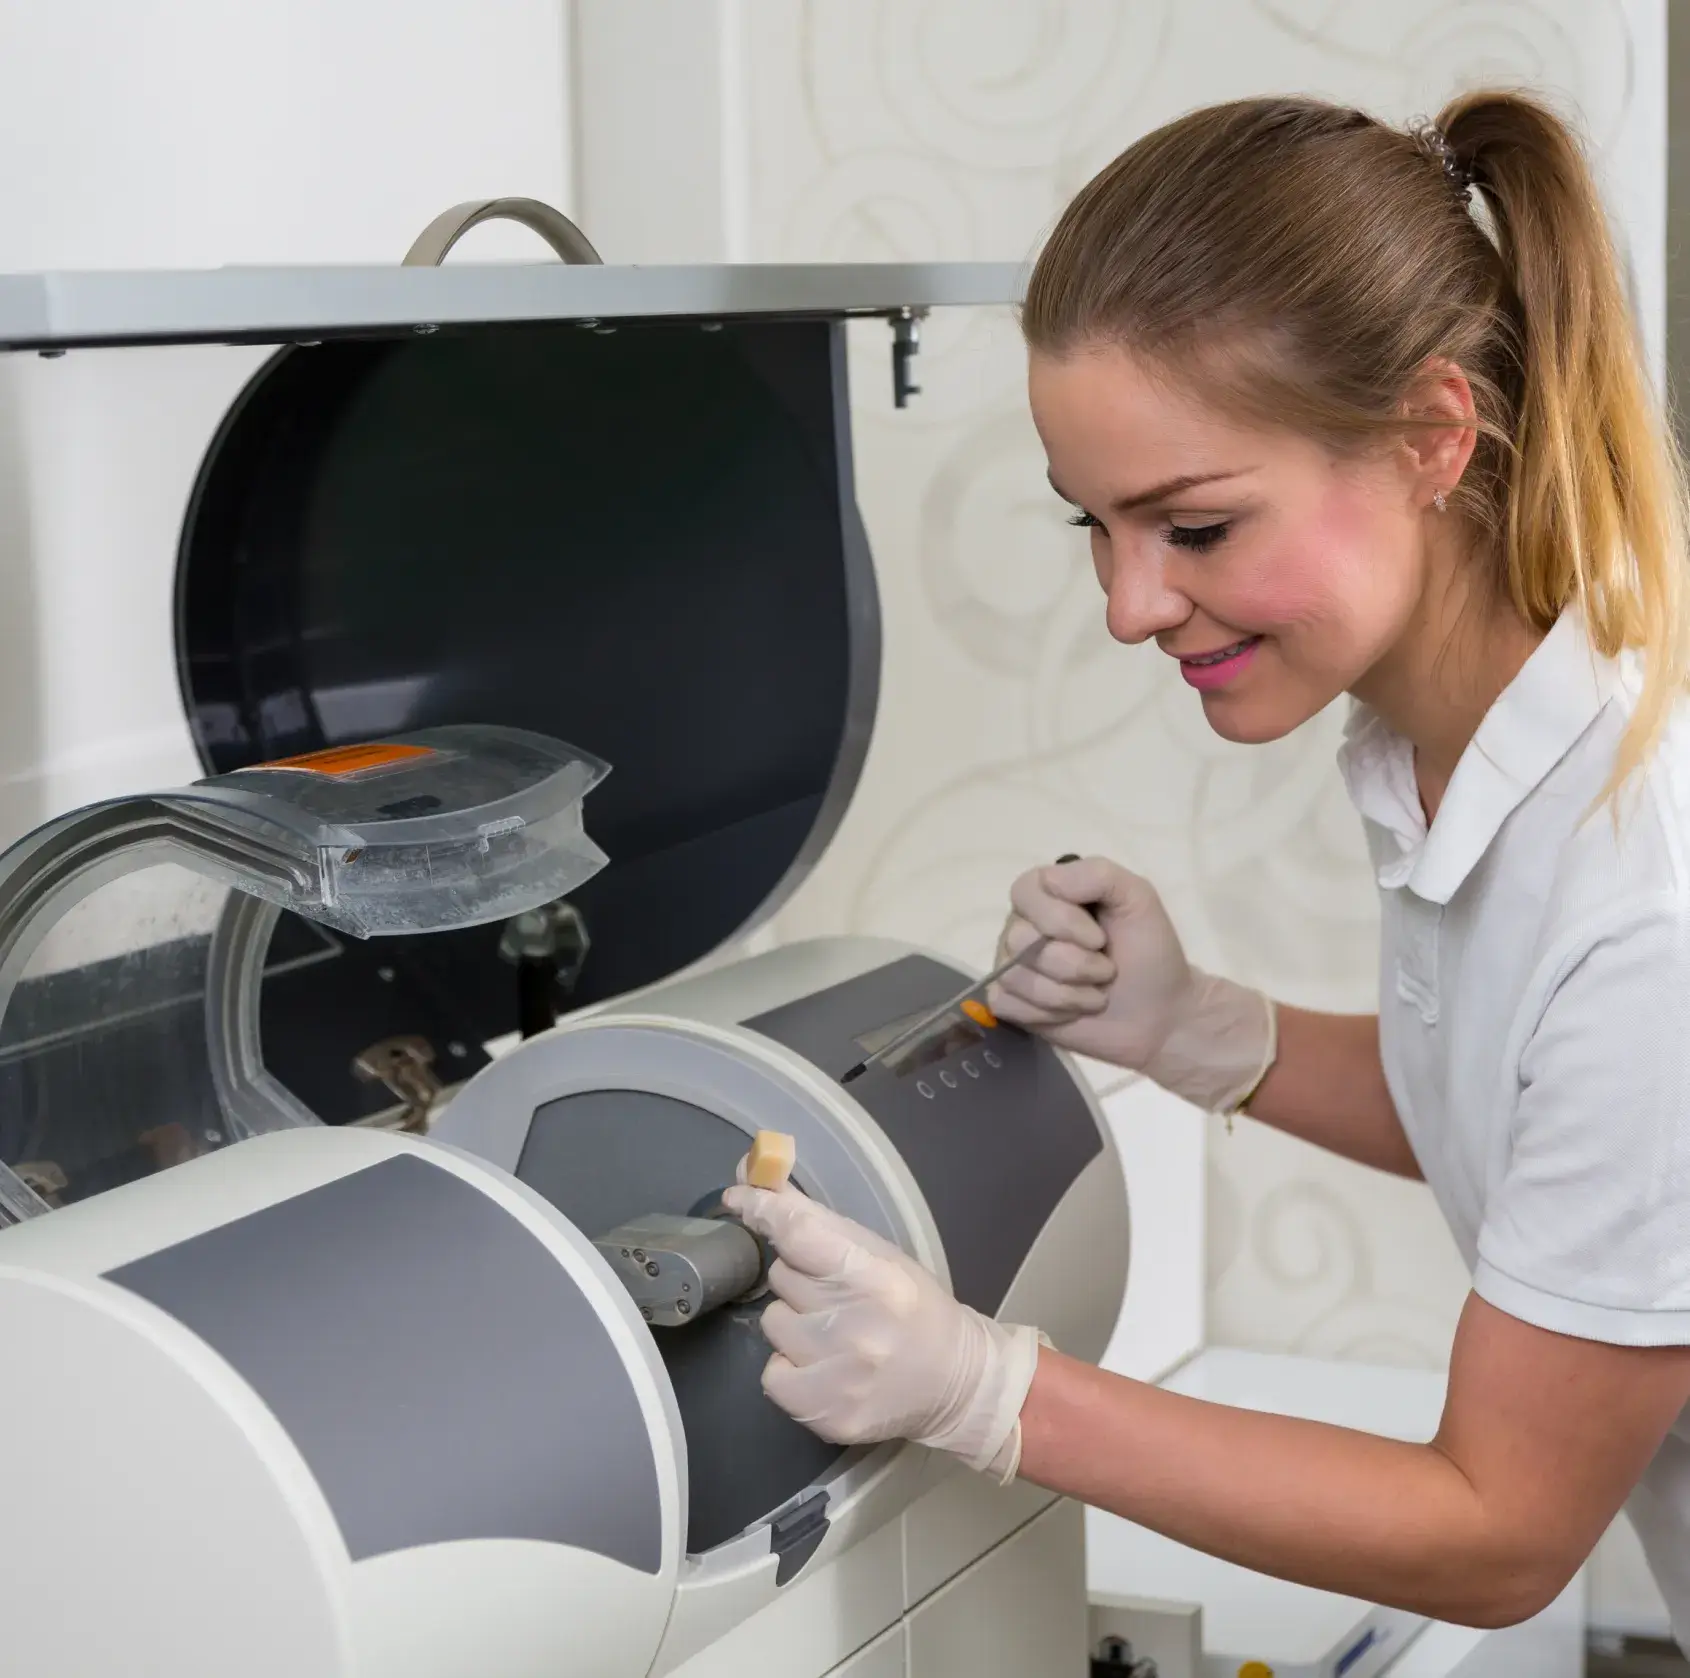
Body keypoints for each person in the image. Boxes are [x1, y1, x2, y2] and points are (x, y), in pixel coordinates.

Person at [720, 87, 1690, 1640]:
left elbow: (1499, 1534)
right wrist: (1194, 1029)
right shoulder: (1465, 737)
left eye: (1194, 525)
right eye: (1093, 527)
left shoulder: (1647, 887)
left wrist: (989, 1387)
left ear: (1435, 436)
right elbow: (1541, 1115)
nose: (1126, 605)